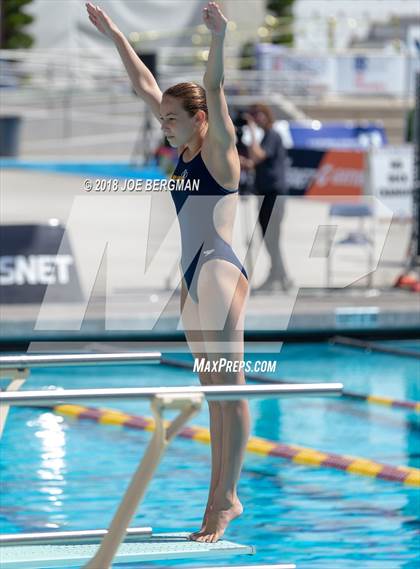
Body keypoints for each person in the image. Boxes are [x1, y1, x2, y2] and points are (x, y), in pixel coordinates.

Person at [86, 1, 250, 544]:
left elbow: (216, 86)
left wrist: (220, 38)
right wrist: (114, 33)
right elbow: (146, 84)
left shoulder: (219, 149)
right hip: (190, 277)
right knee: (213, 396)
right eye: (163, 120)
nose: (165, 126)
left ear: (200, 119)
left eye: (173, 119)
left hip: (219, 272)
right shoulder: (182, 145)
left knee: (231, 390)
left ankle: (227, 500)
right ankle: (215, 502)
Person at [244, 104, 293, 292]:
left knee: (272, 237)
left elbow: (258, 154)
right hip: (264, 193)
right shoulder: (265, 137)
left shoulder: (273, 135)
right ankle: (278, 275)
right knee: (267, 237)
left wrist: (251, 130)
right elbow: (256, 160)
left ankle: (281, 276)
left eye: (259, 115)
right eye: (253, 115)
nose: (256, 119)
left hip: (274, 194)